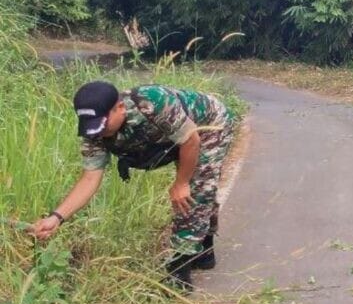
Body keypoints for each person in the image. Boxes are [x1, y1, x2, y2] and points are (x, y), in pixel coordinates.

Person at [29, 80, 235, 291]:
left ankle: (180, 268)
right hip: (173, 138)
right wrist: (56, 217)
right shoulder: (94, 131)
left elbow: (190, 140)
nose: (98, 133)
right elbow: (90, 178)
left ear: (120, 107)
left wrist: (181, 183)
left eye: (102, 125)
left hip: (210, 125)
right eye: (91, 127)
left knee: (197, 187)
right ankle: (204, 250)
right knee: (198, 187)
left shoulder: (154, 103)